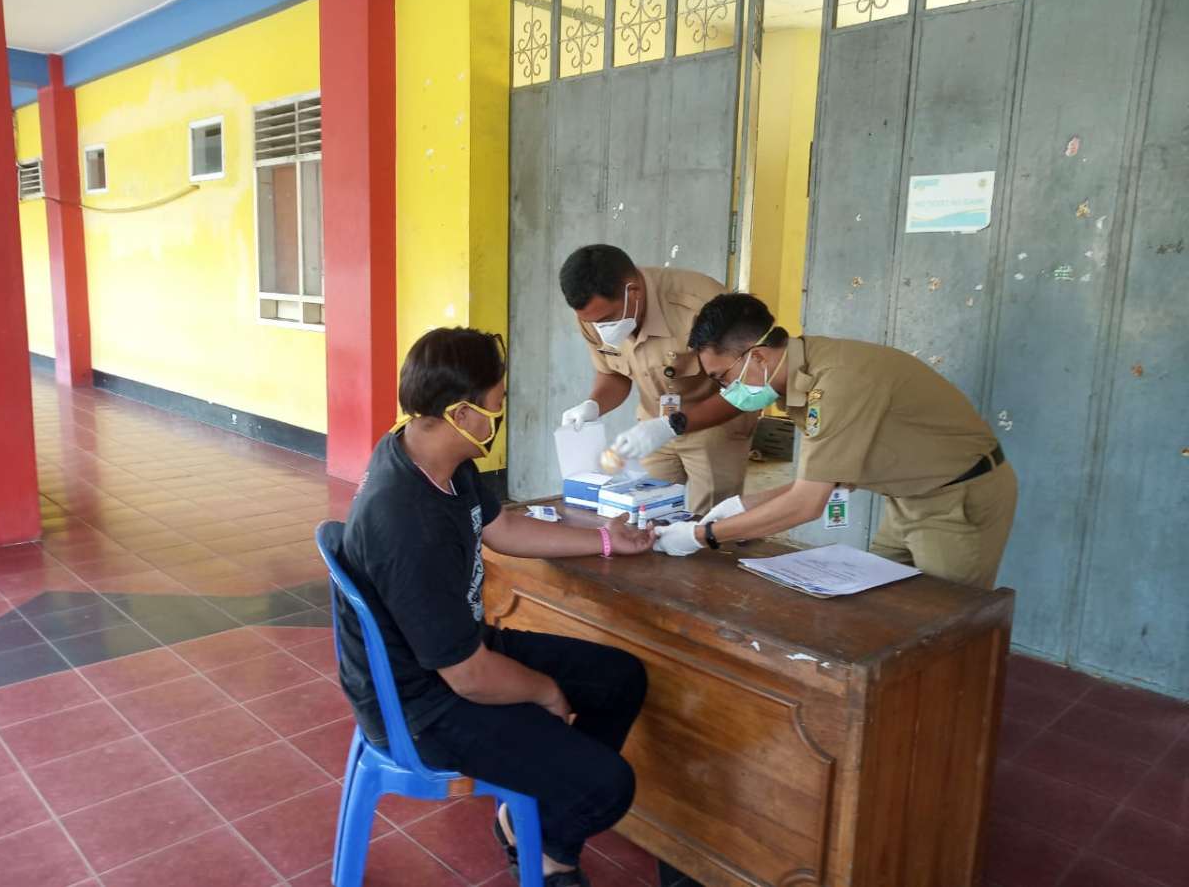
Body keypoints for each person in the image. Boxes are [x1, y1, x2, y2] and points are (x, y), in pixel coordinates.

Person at [338, 327, 653, 886]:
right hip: (422, 704)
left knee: (620, 678)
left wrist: (607, 538)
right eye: (497, 401)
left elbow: (502, 526)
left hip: (456, 652)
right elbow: (468, 678)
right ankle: (551, 835)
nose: (502, 410)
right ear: (461, 411)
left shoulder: (434, 455)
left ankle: (539, 827)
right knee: (608, 785)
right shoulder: (407, 522)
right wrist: (543, 691)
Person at [652, 294, 1018, 590]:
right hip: (908, 499)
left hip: (957, 501)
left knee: (943, 625)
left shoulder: (837, 382)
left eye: (722, 377)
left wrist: (704, 536)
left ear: (758, 356)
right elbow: (817, 481)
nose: (724, 390)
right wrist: (737, 507)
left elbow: (807, 504)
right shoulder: (803, 370)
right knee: (883, 602)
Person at [559, 244, 757, 515]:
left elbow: (748, 389)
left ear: (633, 291)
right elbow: (612, 374)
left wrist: (671, 425)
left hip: (714, 427)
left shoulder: (701, 304)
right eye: (592, 322)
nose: (600, 329)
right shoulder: (592, 314)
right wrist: (593, 405)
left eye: (607, 319)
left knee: (710, 525)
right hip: (652, 428)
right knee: (643, 515)